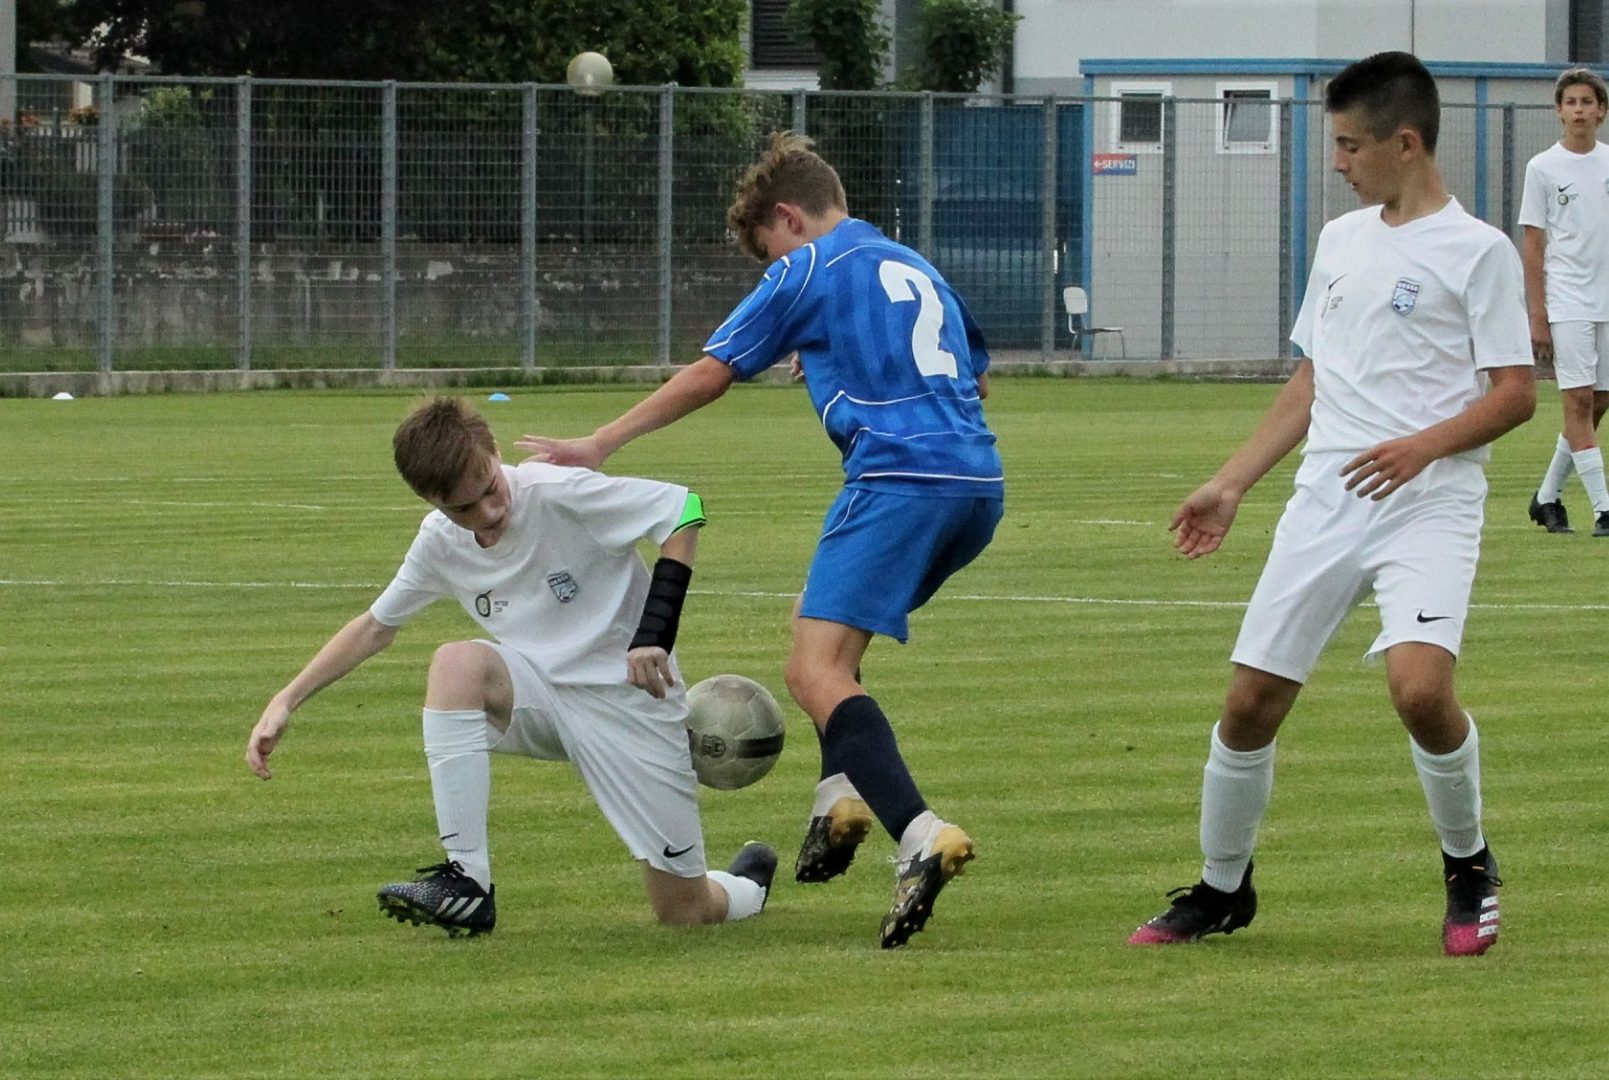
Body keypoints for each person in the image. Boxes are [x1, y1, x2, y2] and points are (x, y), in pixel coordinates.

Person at [517, 131, 1003, 948]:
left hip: (898, 479)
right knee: (821, 630)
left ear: (789, 218)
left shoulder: (806, 268)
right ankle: (837, 800)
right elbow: (975, 376)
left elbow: (712, 370)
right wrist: (835, 351)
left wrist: (601, 442)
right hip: (976, 485)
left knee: (812, 671)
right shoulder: (913, 264)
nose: (772, 267)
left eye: (769, 251)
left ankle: (920, 834)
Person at [1127, 52, 1534, 957]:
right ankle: (1220, 889)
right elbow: (1311, 379)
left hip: (1428, 504)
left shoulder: (1478, 252)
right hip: (1325, 501)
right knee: (1248, 704)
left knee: (1419, 691)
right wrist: (1230, 482)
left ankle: (1468, 865)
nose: (1338, 163)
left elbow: (1515, 394)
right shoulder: (1340, 241)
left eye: (1350, 146)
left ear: (1405, 143)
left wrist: (1422, 446)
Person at [244, 396, 776, 937]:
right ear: (430, 500)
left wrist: (654, 635)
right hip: (539, 699)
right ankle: (467, 883)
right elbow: (375, 626)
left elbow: (683, 509)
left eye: (490, 489)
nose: (487, 513)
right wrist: (286, 699)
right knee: (457, 663)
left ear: (495, 452)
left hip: (630, 705)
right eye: (462, 508)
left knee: (684, 913)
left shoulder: (558, 491)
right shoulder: (439, 542)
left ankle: (746, 885)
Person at [1520, 67, 1609, 537]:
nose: (1579, 111)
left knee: (1598, 402)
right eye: (1570, 102)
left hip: (1606, 299)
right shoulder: (1543, 168)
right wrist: (1538, 313)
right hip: (1568, 298)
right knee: (1577, 400)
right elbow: (1533, 245)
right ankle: (1604, 510)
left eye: (1586, 102)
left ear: (1601, 111)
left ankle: (1547, 496)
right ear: (1558, 111)